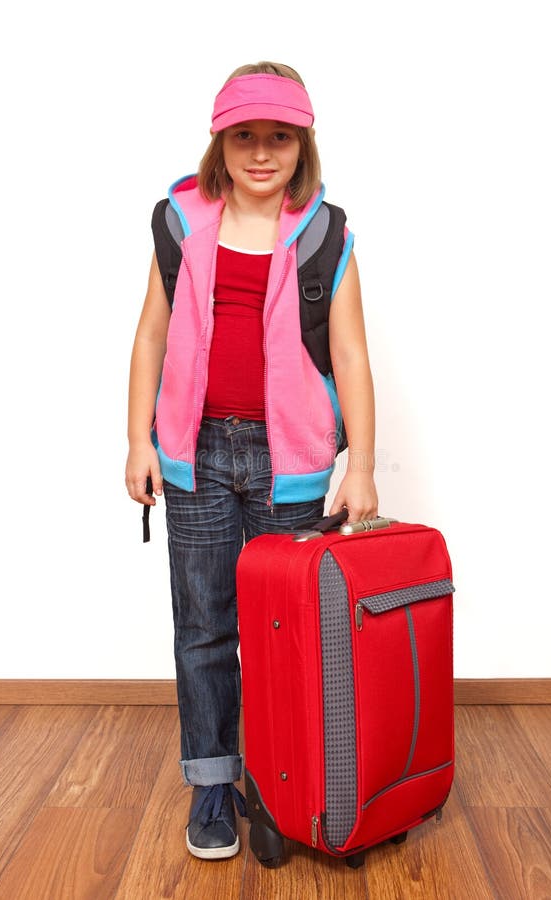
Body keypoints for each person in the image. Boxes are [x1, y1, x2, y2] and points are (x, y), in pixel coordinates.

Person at [125, 61, 378, 861]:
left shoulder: (326, 233)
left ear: (302, 144)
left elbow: (351, 352)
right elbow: (152, 337)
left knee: (287, 631)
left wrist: (362, 464)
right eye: (245, 136)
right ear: (220, 142)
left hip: (289, 462)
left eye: (278, 137)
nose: (261, 152)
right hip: (194, 457)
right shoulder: (181, 222)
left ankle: (278, 782)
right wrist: (139, 441)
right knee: (203, 628)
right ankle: (211, 784)